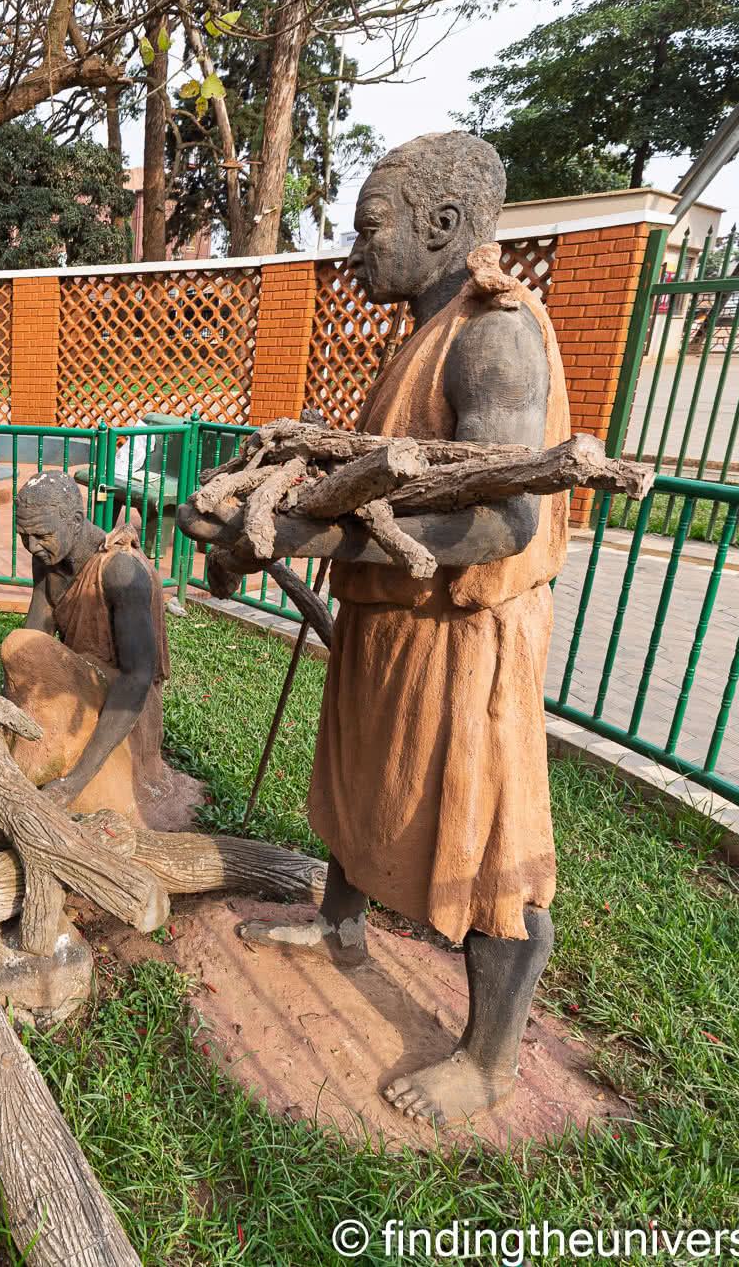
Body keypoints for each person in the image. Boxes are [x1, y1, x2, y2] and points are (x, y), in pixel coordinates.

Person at [190, 131, 567, 1125]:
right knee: (361, 785)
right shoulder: (419, 329)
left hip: (458, 642)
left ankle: (485, 1058)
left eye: (368, 230)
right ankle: (340, 927)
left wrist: (313, 538)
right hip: (388, 627)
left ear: (440, 227)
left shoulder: (492, 334)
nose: (353, 252)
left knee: (481, 846)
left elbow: (497, 518)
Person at [0, 472, 177, 823]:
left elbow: (137, 678)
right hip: (79, 679)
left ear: (76, 521)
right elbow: (35, 638)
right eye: (24, 536)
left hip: (123, 701)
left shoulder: (121, 572)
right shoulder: (48, 562)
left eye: (42, 535)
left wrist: (76, 781)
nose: (32, 546)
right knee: (18, 648)